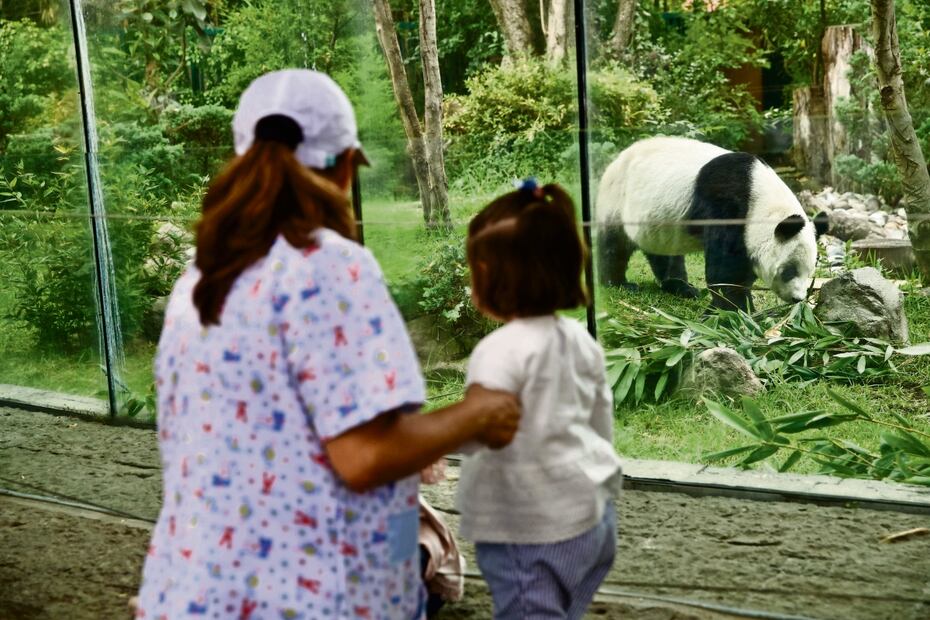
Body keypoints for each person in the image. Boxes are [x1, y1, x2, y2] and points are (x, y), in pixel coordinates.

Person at [134, 69, 520, 620]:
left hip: (189, 591)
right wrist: (477, 413)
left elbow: (281, 431)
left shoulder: (199, 277)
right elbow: (364, 457)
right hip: (311, 599)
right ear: (345, 166)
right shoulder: (331, 267)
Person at [456, 180, 623, 620]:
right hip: (592, 520)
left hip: (529, 527)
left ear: (489, 277)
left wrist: (424, 445)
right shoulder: (578, 338)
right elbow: (600, 419)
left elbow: (477, 427)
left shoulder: (498, 351)